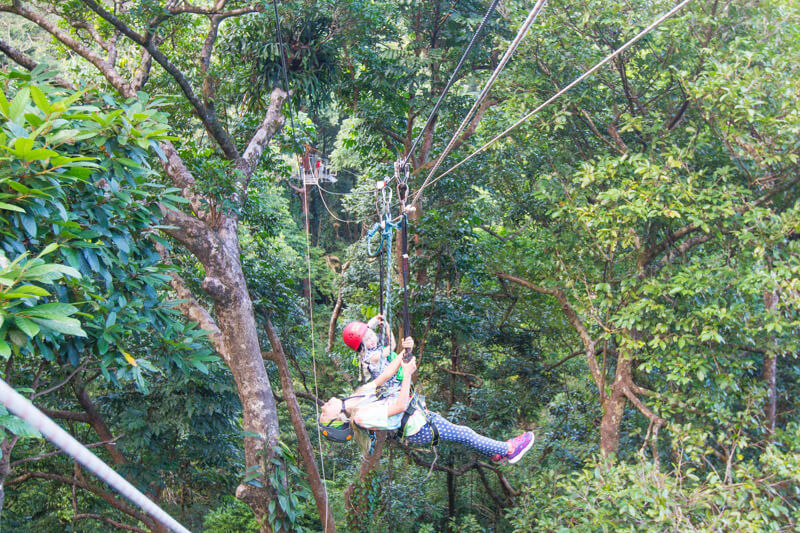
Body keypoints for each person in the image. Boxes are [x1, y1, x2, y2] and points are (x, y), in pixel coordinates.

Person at [319, 336, 535, 465]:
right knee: (464, 434)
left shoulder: (356, 399)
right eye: (324, 413)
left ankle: (495, 453)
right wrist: (407, 373)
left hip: (417, 416)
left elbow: (383, 378)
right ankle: (508, 449)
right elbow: (399, 406)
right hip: (417, 428)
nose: (324, 406)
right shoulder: (361, 417)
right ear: (338, 418)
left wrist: (405, 352)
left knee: (463, 433)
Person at [342, 315, 401, 388]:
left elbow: (368, 327)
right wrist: (387, 327)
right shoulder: (372, 357)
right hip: (391, 386)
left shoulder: (366, 351)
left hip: (390, 380)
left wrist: (378, 318)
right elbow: (392, 345)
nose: (372, 340)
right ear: (361, 346)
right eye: (367, 340)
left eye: (371, 335)